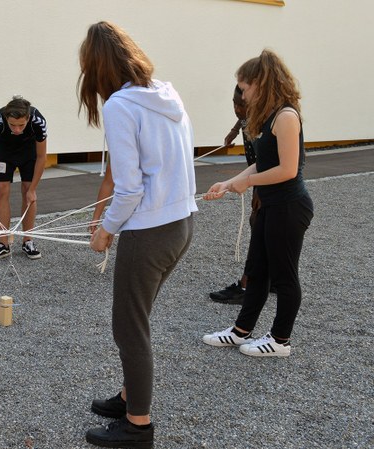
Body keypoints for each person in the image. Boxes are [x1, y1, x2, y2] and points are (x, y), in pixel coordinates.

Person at [79, 21, 197, 448]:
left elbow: (129, 189)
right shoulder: (166, 94)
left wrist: (105, 230)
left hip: (149, 232)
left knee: (129, 329)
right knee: (137, 320)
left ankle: (138, 426)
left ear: (97, 69)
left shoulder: (120, 106)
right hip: (181, 224)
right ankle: (131, 396)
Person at [202, 49, 313, 357]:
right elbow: (262, 164)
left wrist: (248, 183)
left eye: (244, 87)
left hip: (289, 208)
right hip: (271, 206)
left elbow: (288, 170)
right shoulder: (268, 116)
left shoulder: (286, 117)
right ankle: (241, 332)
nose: (242, 94)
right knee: (258, 271)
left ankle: (280, 341)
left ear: (260, 83)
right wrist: (228, 183)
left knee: (284, 276)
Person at [208, 85, 260, 304]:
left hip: (263, 180)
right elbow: (242, 118)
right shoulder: (247, 117)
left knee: (258, 227)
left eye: (242, 105)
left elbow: (265, 163)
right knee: (259, 226)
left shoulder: (262, 125)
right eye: (234, 103)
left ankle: (247, 286)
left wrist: (256, 188)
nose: (237, 109)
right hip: (257, 177)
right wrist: (234, 130)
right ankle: (269, 279)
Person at [0, 96, 47, 262]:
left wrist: (33, 189)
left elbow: (41, 157)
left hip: (28, 152)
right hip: (4, 152)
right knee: (1, 190)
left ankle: (28, 240)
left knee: (28, 191)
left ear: (28, 118)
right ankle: (3, 244)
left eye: (21, 125)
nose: (17, 130)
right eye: (12, 125)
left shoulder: (38, 121)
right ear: (6, 118)